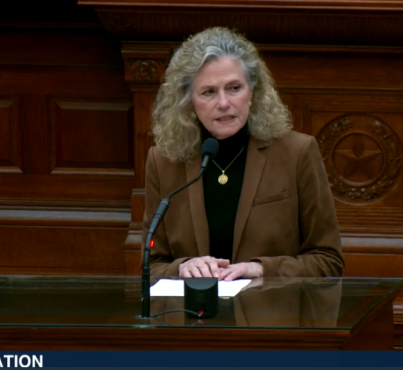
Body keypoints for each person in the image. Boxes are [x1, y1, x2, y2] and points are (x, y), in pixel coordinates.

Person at [145, 27, 344, 281]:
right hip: (194, 317)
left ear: (252, 91)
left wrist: (261, 269)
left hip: (270, 314)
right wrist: (183, 267)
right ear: (188, 101)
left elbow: (328, 260)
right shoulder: (163, 162)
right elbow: (151, 265)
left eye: (234, 88)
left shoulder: (297, 153)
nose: (224, 103)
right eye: (208, 92)